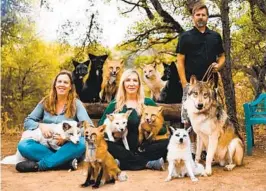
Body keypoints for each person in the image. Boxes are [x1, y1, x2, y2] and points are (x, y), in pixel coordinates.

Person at [16, 70, 94, 172]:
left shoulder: (76, 104)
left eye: (65, 82)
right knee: (23, 145)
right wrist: (41, 125)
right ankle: (65, 163)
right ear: (55, 85)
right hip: (46, 146)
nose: (62, 84)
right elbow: (28, 121)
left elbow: (89, 128)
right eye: (59, 81)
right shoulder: (46, 102)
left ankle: (40, 166)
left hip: (68, 148)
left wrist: (67, 138)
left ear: (70, 87)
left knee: (82, 143)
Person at [176, 3, 226, 155]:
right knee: (188, 118)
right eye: (197, 15)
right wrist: (185, 83)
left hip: (210, 86)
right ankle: (189, 150)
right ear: (193, 17)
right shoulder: (185, 37)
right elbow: (180, 61)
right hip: (192, 86)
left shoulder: (215, 37)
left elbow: (222, 57)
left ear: (207, 17)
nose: (200, 17)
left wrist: (219, 65)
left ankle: (207, 150)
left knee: (210, 117)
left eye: (203, 15)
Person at [98, 68, 169, 170]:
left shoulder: (148, 102)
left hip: (143, 147)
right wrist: (114, 134)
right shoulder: (115, 104)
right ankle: (148, 163)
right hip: (122, 146)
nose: (131, 84)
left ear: (139, 84)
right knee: (105, 144)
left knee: (166, 143)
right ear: (123, 84)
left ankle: (122, 163)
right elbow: (101, 127)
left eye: (135, 80)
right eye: (128, 80)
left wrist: (148, 126)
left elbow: (162, 128)